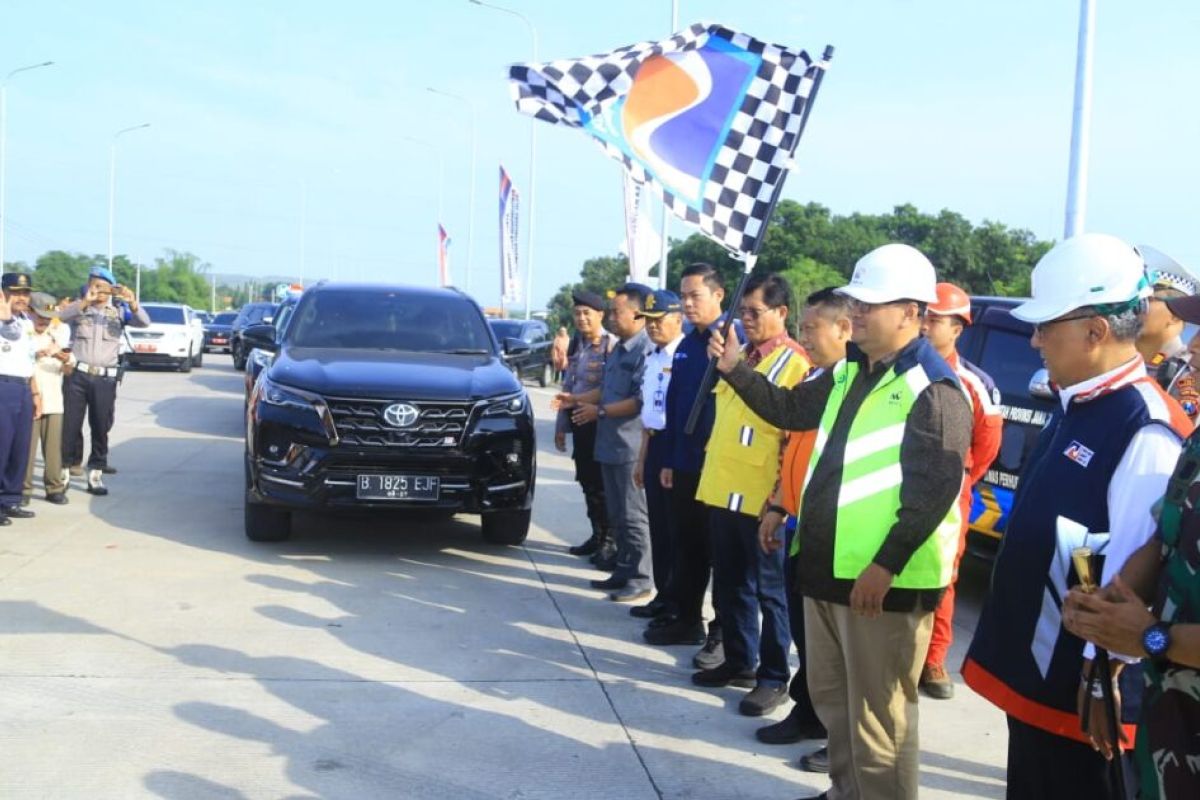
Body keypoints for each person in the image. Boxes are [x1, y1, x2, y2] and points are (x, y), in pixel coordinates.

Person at [708, 243, 972, 800]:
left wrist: (886, 565)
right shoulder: (849, 369)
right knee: (835, 702)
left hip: (882, 584)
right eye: (855, 301)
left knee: (879, 722)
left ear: (910, 312)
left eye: (869, 304)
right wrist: (734, 368)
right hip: (828, 570)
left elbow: (934, 491)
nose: (855, 313)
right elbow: (789, 411)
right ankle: (845, 792)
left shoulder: (935, 388)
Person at [963, 233, 1192, 800]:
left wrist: (1100, 672)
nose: (1035, 338)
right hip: (1043, 674)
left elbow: (1136, 566)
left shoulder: (1144, 425)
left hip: (1080, 689)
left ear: (1095, 331)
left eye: (1047, 326)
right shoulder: (1080, 399)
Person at [1060, 281, 1200, 798]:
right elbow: (1162, 539)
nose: (1195, 350)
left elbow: (1150, 635)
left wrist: (1148, 639)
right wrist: (1106, 615)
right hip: (1173, 729)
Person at [694, 274, 810, 717]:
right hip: (726, 489)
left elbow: (790, 438)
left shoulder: (794, 363)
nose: (746, 320)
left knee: (770, 592)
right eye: (742, 312)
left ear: (781, 314)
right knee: (729, 583)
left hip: (762, 498)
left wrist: (779, 501)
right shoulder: (740, 356)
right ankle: (740, 661)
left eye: (754, 313)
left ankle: (773, 676)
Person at [754, 287, 851, 768]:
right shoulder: (819, 379)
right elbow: (793, 451)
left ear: (844, 328)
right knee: (807, 633)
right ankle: (809, 710)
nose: (804, 336)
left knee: (836, 651)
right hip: (799, 524)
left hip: (839, 538)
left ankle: (838, 736)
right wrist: (778, 505)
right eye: (804, 327)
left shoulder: (852, 386)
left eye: (812, 328)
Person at [916, 282, 1003, 699]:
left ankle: (933, 661)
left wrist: (956, 479)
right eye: (922, 317)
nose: (925, 327)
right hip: (895, 486)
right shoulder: (901, 367)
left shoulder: (974, 382)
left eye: (935, 320)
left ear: (958, 328)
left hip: (951, 490)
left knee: (942, 574)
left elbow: (986, 447)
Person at [644, 263, 730, 671]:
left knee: (722, 555)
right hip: (686, 463)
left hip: (721, 466)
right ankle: (687, 618)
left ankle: (722, 633)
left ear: (718, 295)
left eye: (695, 295)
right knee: (688, 544)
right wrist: (672, 460)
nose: (688, 303)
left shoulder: (730, 340)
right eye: (684, 296)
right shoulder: (688, 344)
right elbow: (677, 407)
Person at [561, 283, 654, 602]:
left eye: (618, 312)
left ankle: (641, 576)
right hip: (608, 443)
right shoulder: (618, 348)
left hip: (629, 446)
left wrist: (598, 410)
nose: (612, 318)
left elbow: (639, 401)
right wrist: (577, 399)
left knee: (633, 514)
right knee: (616, 512)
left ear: (639, 315)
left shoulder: (645, 350)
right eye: (612, 312)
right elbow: (606, 389)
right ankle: (624, 569)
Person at [631, 289, 685, 622]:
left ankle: (678, 603)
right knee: (659, 530)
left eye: (659, 320)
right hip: (654, 444)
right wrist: (642, 458)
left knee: (676, 531)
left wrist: (670, 459)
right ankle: (663, 595)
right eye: (648, 321)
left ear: (678, 320)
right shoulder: (653, 356)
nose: (652, 327)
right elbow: (650, 415)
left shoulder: (683, 357)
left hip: (675, 448)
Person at [554, 290, 615, 564]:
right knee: (587, 482)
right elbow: (567, 387)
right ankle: (596, 534)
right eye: (577, 313)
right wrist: (560, 426)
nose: (581, 319)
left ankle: (609, 542)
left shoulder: (610, 345)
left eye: (587, 313)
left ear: (600, 315)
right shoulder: (576, 345)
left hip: (602, 424)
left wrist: (578, 401)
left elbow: (610, 389)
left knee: (603, 486)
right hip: (580, 425)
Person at [1136, 245, 1200, 422]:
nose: (1135, 308)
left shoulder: (1188, 373)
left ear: (1174, 315)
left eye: (1147, 300)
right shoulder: (1116, 360)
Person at [0, 272, 42, 525]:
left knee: (20, 448)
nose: (22, 298)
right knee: (1, 446)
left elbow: (29, 359)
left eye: (25, 293)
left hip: (24, 388)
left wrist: (35, 392)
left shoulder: (26, 322)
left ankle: (10, 499)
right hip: (3, 386)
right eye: (16, 292)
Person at [23, 292, 72, 505]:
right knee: (26, 449)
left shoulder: (57, 337)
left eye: (47, 318)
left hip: (54, 399)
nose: (43, 321)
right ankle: (22, 489)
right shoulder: (23, 336)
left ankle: (54, 487)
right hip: (29, 399)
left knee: (53, 449)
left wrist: (62, 356)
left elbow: (69, 369)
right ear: (29, 312)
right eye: (39, 316)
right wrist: (36, 354)